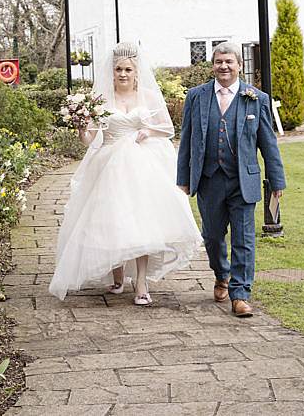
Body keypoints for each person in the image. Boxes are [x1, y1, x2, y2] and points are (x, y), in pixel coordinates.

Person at [49, 42, 202, 304]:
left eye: (128, 70)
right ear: (113, 72)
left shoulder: (149, 97)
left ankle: (140, 281)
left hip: (142, 164)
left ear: (136, 72)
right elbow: (90, 140)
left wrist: (148, 132)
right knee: (111, 219)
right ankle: (117, 277)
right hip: (108, 164)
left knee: (141, 221)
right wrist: (80, 126)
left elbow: (168, 129)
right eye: (119, 69)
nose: (122, 74)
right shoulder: (101, 101)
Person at [176, 42, 286, 317]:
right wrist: (183, 178)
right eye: (218, 62)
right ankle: (221, 274)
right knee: (212, 236)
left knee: (244, 238)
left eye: (229, 62)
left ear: (239, 65)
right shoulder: (196, 97)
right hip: (209, 179)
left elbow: (268, 143)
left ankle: (240, 294)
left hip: (243, 180)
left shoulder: (256, 98)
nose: (223, 66)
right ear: (212, 66)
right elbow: (187, 139)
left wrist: (277, 181)